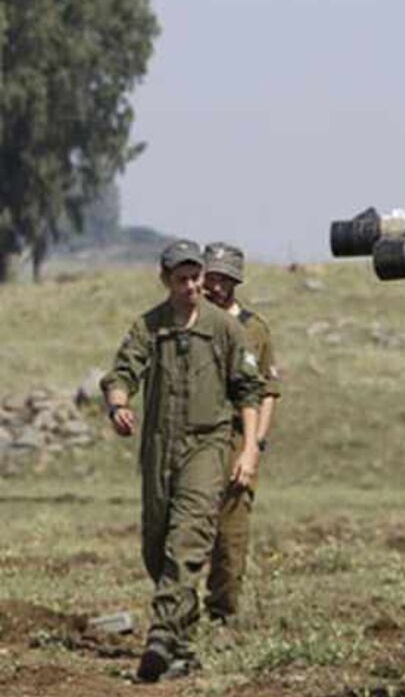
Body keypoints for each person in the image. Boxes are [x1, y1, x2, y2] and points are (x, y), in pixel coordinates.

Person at [100, 240, 265, 681]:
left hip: (206, 446)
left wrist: (248, 449)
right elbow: (120, 374)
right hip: (158, 447)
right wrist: (118, 406)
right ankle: (183, 646)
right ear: (166, 281)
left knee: (187, 540)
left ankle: (159, 634)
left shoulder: (226, 330)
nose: (192, 286)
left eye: (196, 278)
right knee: (156, 547)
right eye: (182, 279)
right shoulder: (149, 327)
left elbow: (250, 391)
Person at [200, 242, 282, 623]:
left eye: (221, 280)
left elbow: (268, 393)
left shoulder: (253, 329)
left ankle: (222, 612)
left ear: (234, 282)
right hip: (195, 435)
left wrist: (254, 448)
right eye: (208, 278)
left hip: (236, 436)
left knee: (230, 532)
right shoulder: (191, 320)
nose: (212, 287)